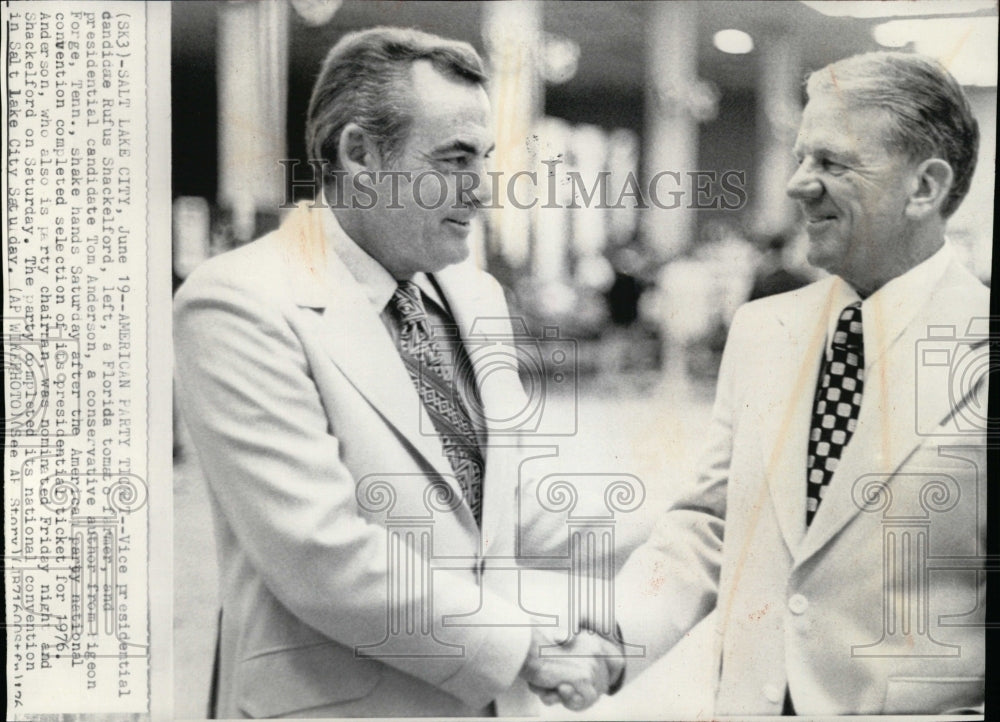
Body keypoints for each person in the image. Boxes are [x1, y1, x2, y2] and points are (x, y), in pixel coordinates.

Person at [174, 27, 618, 718]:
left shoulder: (471, 294)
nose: (479, 191)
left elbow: (506, 503)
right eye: (455, 159)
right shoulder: (239, 301)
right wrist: (523, 649)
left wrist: (717, 506)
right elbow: (323, 557)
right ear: (359, 153)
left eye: (485, 158)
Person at [607, 51, 988, 715]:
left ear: (924, 188)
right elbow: (714, 521)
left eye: (831, 163)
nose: (796, 185)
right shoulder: (763, 331)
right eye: (802, 157)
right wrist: (611, 641)